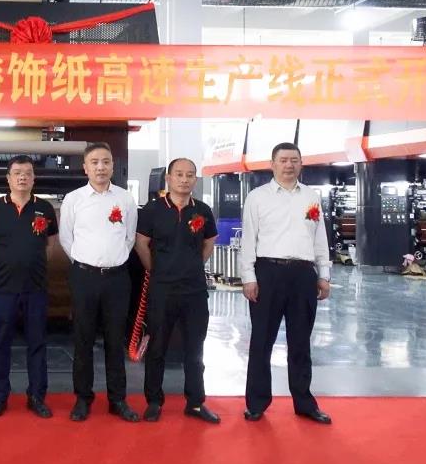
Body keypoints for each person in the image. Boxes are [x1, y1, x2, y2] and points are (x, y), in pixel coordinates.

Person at [240, 142, 333, 425]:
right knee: (261, 341)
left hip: (303, 275)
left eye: (294, 160)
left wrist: (324, 274)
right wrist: (248, 277)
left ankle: (304, 403)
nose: (289, 165)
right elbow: (248, 240)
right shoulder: (257, 197)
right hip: (268, 273)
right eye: (283, 160)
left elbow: (320, 237)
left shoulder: (311, 196)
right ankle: (257, 403)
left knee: (301, 342)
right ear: (272, 164)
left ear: (301, 164)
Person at [134, 158, 221, 424]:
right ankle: (154, 401)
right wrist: (158, 270)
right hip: (162, 289)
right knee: (157, 347)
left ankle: (195, 402)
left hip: (194, 291)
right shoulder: (152, 210)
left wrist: (191, 266)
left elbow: (209, 244)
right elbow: (141, 244)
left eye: (190, 175)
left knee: (195, 349)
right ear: (168, 178)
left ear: (195, 179)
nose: (184, 179)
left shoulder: (202, 210)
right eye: (179, 174)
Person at [59, 142, 140, 423]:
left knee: (115, 341)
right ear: (85, 167)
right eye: (94, 162)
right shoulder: (74, 199)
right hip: (84, 277)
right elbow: (66, 239)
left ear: (113, 166)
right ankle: (83, 398)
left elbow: (129, 238)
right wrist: (86, 262)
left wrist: (111, 260)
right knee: (83, 339)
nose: (101, 167)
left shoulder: (125, 199)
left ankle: (117, 399)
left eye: (106, 162)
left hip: (117, 278)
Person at [0, 155, 58, 419]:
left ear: (34, 178)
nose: (22, 177)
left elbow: (50, 245)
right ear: (8, 178)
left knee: (37, 343)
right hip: (4, 288)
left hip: (36, 288)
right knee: (1, 343)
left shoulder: (45, 208)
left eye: (27, 173)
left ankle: (36, 396)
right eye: (17, 173)